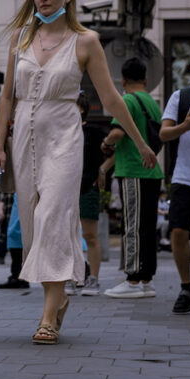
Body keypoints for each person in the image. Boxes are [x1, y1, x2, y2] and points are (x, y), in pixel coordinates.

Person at [0, 0, 157, 345]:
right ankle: (60, 295)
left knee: (53, 216)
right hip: (25, 140)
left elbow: (111, 97)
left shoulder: (85, 41)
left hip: (63, 137)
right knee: (32, 224)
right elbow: (6, 98)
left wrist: (142, 141)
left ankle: (48, 315)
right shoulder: (20, 38)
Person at [101, 57, 165, 299]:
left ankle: (133, 279)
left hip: (134, 170)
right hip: (153, 172)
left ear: (123, 80)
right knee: (147, 227)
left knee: (133, 226)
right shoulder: (153, 102)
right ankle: (147, 279)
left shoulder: (127, 99)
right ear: (146, 79)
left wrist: (105, 143)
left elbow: (117, 132)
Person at [159, 49, 190, 313]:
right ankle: (186, 287)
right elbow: (164, 134)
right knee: (178, 232)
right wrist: (185, 126)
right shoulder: (182, 97)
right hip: (186, 176)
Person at [74, 93, 109, 297]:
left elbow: (114, 152)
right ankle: (72, 277)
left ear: (81, 108)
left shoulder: (94, 132)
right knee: (67, 236)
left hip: (87, 187)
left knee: (90, 235)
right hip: (64, 188)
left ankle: (93, 279)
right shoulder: (61, 131)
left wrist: (102, 170)